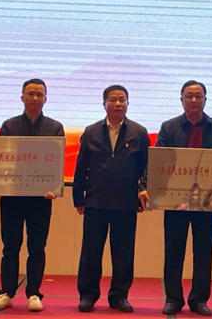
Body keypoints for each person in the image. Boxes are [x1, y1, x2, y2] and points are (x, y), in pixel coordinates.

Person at [139, 80, 212, 317]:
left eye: (198, 96)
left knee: (204, 253)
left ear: (205, 100)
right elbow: (157, 161)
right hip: (175, 199)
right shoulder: (169, 127)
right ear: (181, 100)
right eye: (189, 96)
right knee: (173, 251)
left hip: (208, 201)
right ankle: (173, 299)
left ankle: (199, 300)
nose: (194, 100)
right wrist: (145, 186)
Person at [0, 78, 65, 313]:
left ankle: (34, 294)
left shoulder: (54, 128)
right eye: (30, 94)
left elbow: (57, 164)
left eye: (39, 94)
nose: (35, 98)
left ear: (46, 99)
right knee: (10, 247)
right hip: (12, 198)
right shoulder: (9, 126)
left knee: (37, 248)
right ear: (22, 97)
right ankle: (6, 293)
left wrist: (55, 187)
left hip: (41, 198)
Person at [73, 85, 150, 314]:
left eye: (122, 100)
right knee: (91, 252)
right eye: (113, 99)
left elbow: (146, 167)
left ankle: (119, 296)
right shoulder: (91, 132)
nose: (118, 103)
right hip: (96, 201)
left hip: (126, 202)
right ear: (104, 104)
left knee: (124, 253)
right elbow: (81, 167)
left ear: (128, 103)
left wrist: (143, 191)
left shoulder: (139, 132)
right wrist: (78, 197)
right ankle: (87, 295)